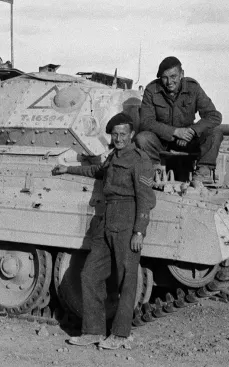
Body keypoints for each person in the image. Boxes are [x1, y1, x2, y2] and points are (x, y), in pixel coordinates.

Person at [52, 113, 156, 350]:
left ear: (131, 135)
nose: (118, 138)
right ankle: (93, 331)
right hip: (106, 220)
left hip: (127, 221)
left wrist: (139, 232)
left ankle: (120, 334)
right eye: (114, 134)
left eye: (122, 134)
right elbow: (98, 171)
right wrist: (68, 169)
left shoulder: (140, 160)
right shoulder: (114, 156)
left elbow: (146, 200)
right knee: (89, 275)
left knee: (126, 280)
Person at [135, 56, 223, 187]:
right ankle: (155, 169)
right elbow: (146, 122)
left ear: (182, 74)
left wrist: (192, 131)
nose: (169, 82)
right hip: (162, 141)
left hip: (188, 141)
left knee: (215, 131)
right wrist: (175, 132)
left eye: (173, 76)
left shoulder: (193, 88)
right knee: (142, 138)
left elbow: (214, 115)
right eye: (165, 77)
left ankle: (202, 172)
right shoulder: (152, 90)